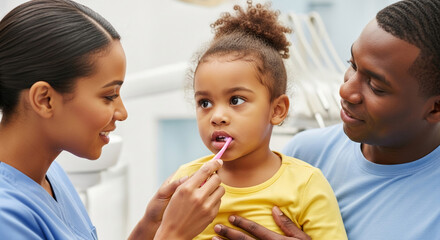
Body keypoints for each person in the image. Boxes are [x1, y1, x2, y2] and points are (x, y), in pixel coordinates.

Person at [212, 0, 440, 239]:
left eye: (375, 86)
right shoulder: (308, 153)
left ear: (435, 108)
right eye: (352, 65)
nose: (345, 91)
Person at [0, 0, 225, 239]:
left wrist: (150, 226)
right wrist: (173, 233)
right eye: (109, 96)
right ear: (45, 100)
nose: (122, 113)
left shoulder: (50, 176)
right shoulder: (7, 216)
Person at [170, 1, 347, 239]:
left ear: (277, 110)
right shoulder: (186, 182)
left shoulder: (306, 186)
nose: (217, 116)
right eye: (205, 103)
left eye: (236, 100)